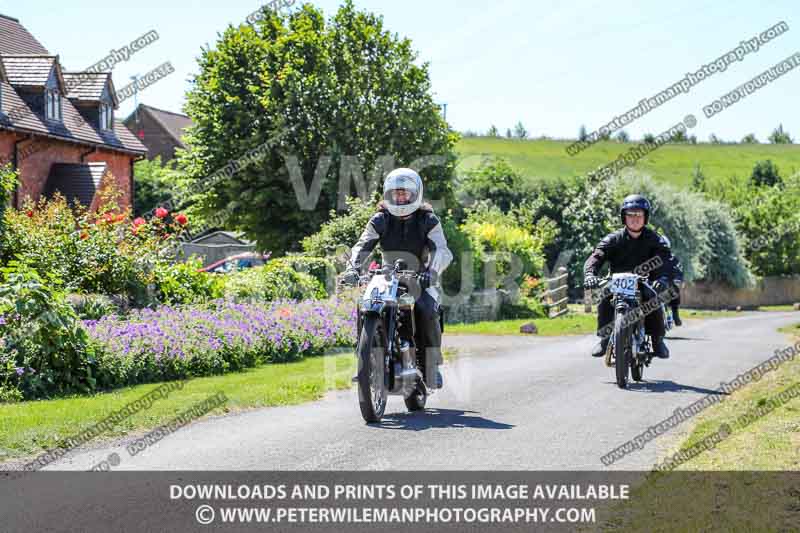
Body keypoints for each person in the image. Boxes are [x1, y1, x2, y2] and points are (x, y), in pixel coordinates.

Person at [341, 168, 453, 388]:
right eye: (396, 193)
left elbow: (442, 250)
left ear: (415, 194)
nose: (400, 198)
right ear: (388, 195)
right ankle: (365, 361)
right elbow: (363, 246)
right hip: (386, 276)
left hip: (420, 277)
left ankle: (431, 364)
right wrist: (352, 268)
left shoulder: (428, 220)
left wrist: (432, 271)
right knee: (365, 304)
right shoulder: (380, 219)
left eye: (405, 193)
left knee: (427, 309)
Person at [584, 194, 678, 359]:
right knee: (605, 297)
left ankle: (657, 340)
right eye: (630, 215)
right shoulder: (613, 239)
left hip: (646, 282)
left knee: (653, 298)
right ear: (624, 217)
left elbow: (667, 261)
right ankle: (605, 340)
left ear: (645, 217)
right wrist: (590, 274)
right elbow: (597, 256)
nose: (635, 219)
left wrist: (663, 279)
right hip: (617, 282)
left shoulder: (655, 240)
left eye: (639, 215)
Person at [659, 234, 684, 326]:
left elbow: (678, 270)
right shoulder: (648, 256)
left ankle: (675, 314)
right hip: (650, 283)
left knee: (675, 290)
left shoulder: (672, 258)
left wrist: (677, 279)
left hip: (665, 283)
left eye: (663, 246)